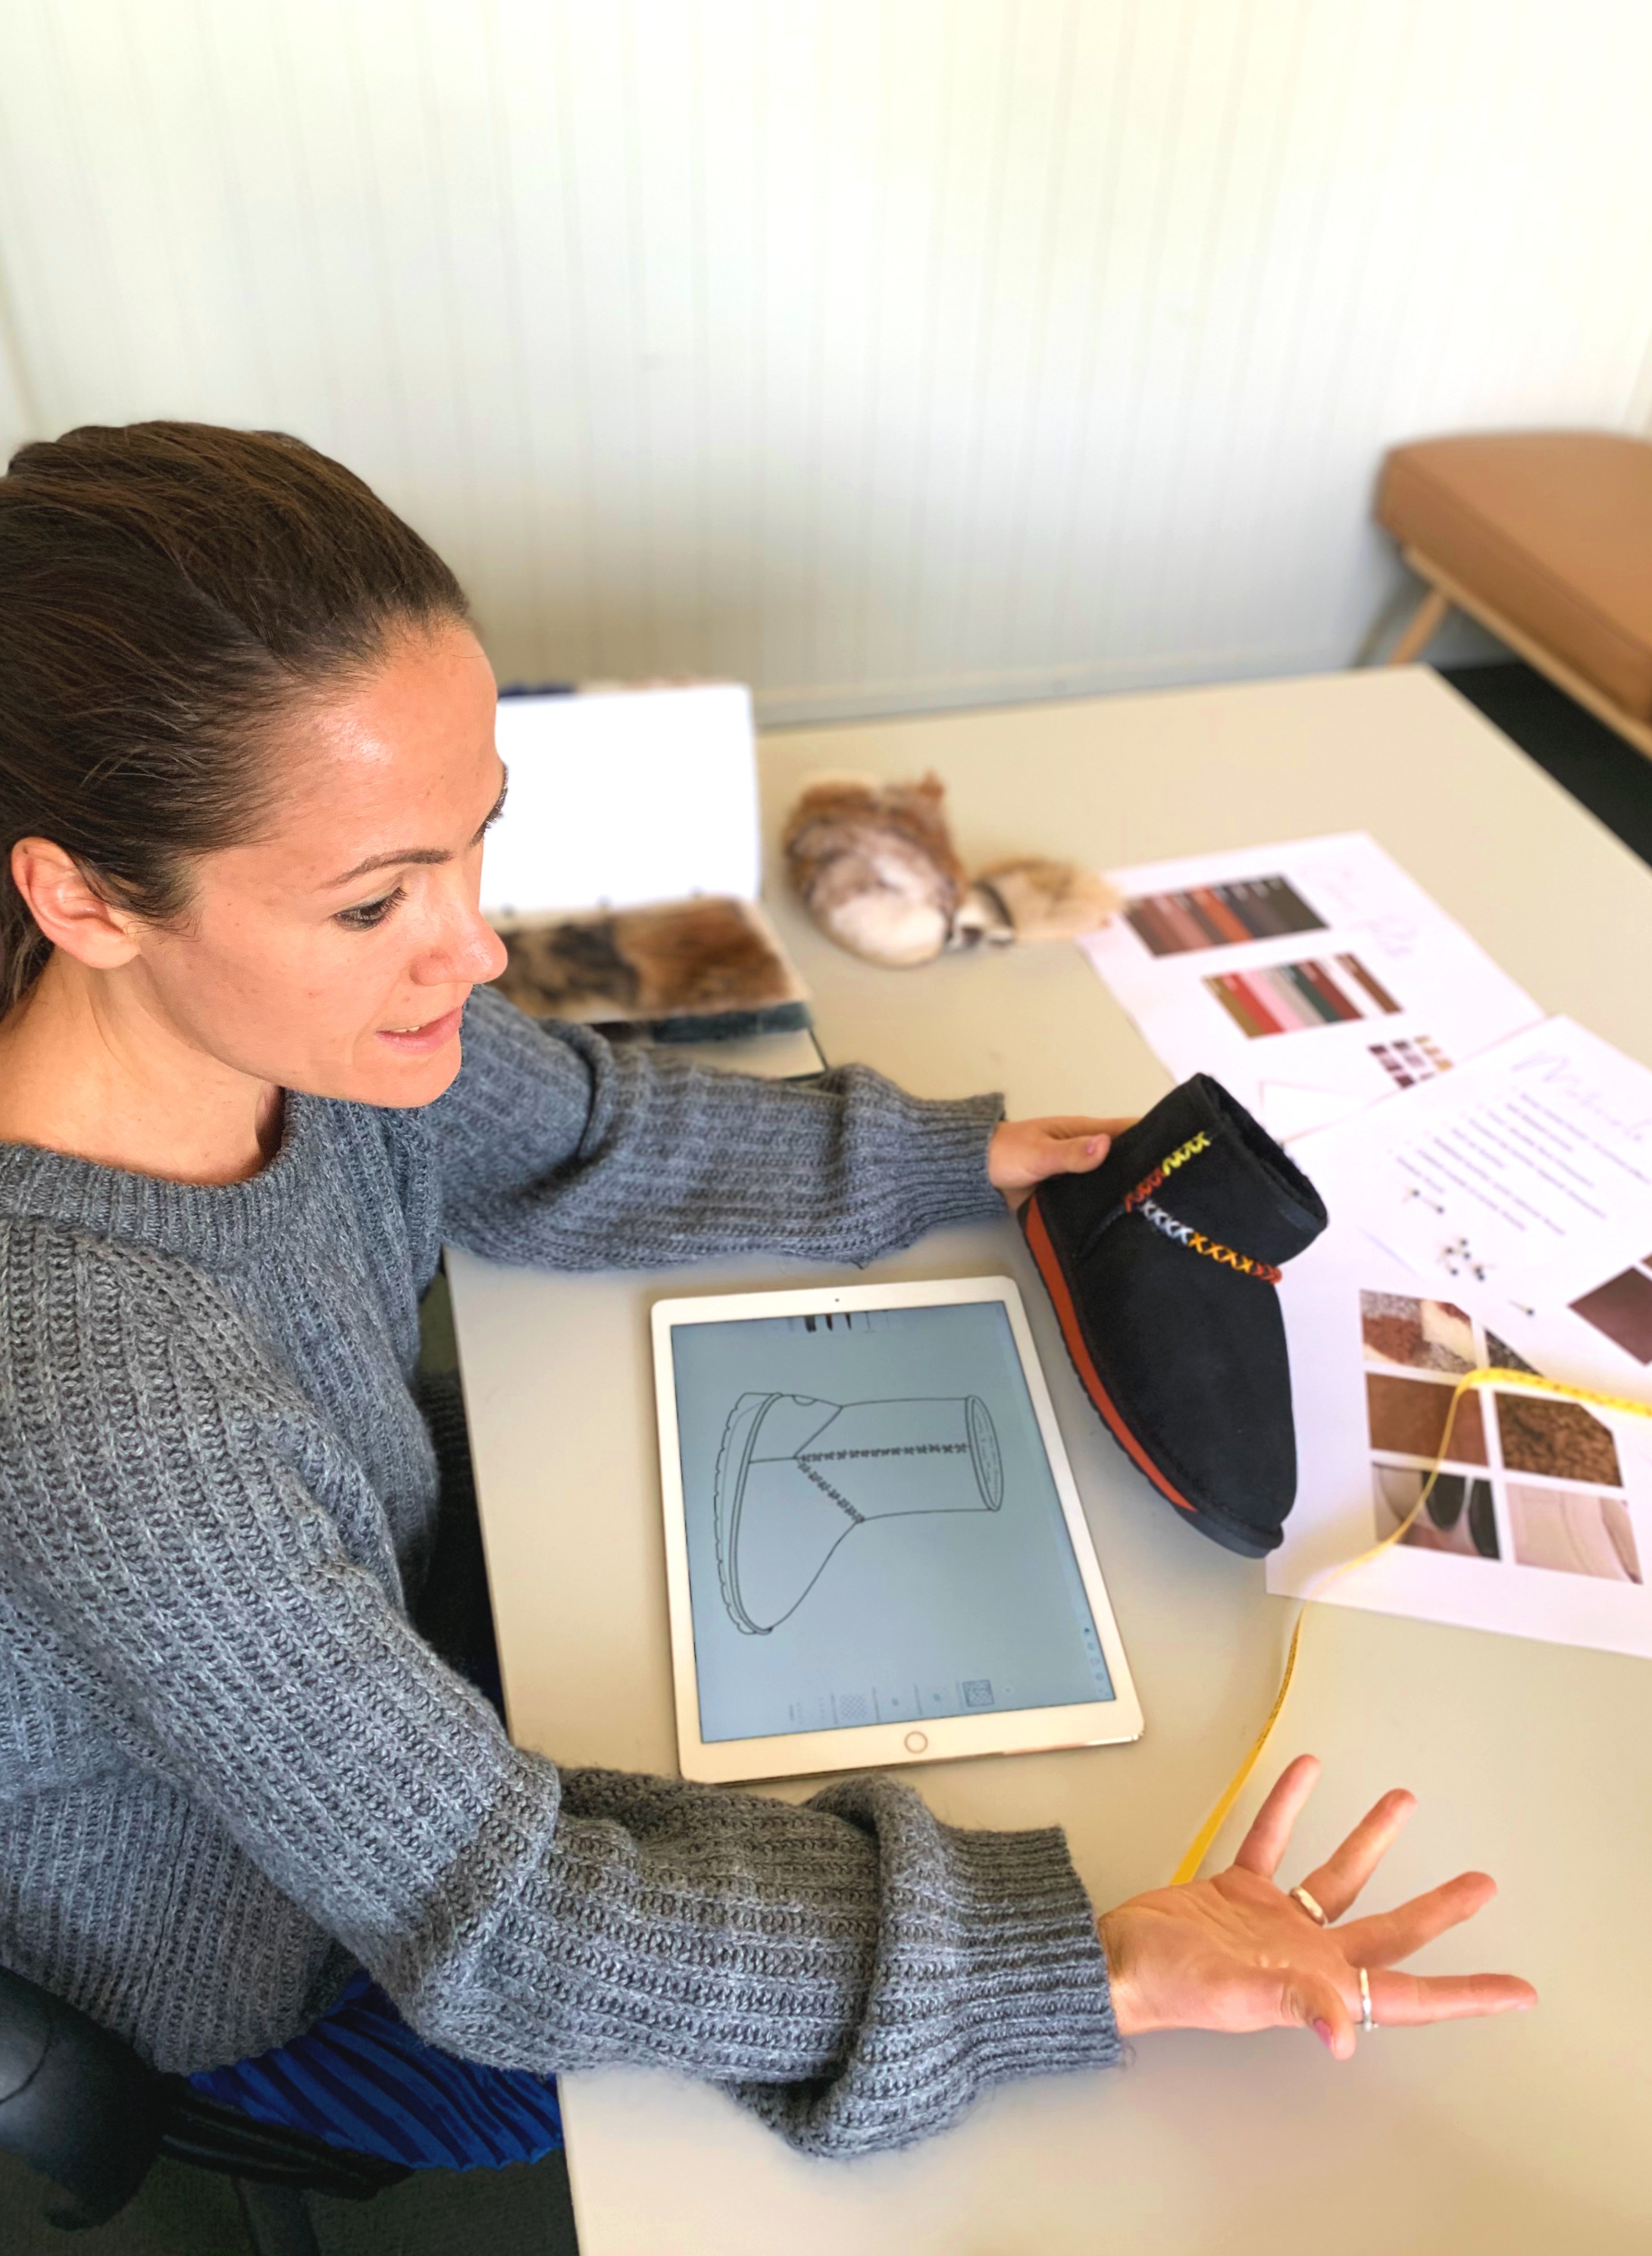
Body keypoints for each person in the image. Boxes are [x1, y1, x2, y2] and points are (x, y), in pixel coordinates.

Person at [0, 423, 1533, 2172]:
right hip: (274, 1953)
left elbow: (567, 1125)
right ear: (85, 896)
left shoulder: (297, 1027)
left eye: (470, 843)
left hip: (378, 1656)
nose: (475, 947)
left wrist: (961, 1162)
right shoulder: (98, 1396)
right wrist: (1094, 1970)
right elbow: (513, 1933)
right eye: (376, 902)